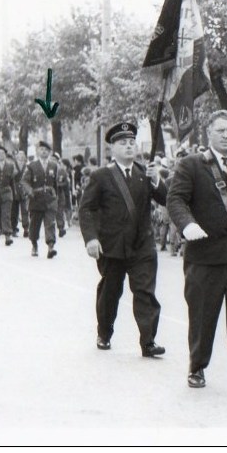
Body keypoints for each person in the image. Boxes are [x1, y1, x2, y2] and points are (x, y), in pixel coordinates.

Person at [166, 110, 227, 396]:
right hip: (205, 253)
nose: (225, 136)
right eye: (220, 130)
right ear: (210, 132)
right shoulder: (191, 164)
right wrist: (187, 225)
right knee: (202, 315)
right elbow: (176, 200)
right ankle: (197, 366)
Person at [80, 122, 169, 356]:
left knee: (145, 292)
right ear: (112, 148)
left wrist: (157, 180)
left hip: (142, 245)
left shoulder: (145, 172)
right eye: (123, 143)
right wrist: (91, 239)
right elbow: (86, 209)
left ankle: (148, 341)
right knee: (111, 292)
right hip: (112, 246)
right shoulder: (101, 176)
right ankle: (104, 332)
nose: (129, 147)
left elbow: (167, 199)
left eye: (132, 142)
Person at [22, 141, 61, 258]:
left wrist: (55, 196)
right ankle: (34, 244)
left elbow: (55, 183)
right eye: (42, 149)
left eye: (46, 150)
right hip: (36, 198)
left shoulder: (54, 166)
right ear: (38, 151)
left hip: (49, 199)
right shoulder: (32, 166)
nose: (44, 152)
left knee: (50, 223)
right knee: (34, 224)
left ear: (49, 153)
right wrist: (30, 192)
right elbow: (24, 181)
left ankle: (51, 246)